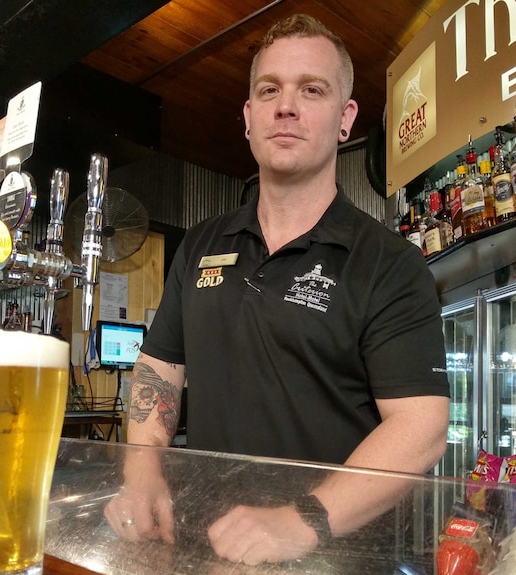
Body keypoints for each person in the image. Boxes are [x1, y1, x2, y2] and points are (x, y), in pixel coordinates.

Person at [104, 13, 450, 565]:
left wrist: (303, 520)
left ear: (345, 117)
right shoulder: (199, 247)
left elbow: (422, 427)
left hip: (334, 560)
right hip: (206, 553)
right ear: (248, 117)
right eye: (269, 90)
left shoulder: (389, 264)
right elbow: (158, 370)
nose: (285, 106)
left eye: (312, 89)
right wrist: (141, 467)